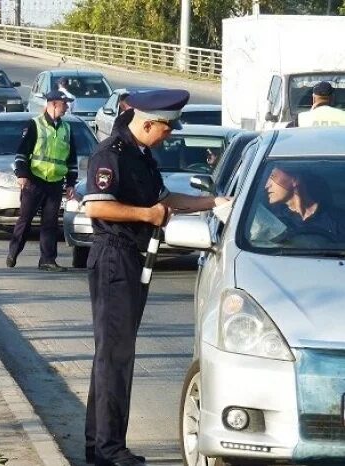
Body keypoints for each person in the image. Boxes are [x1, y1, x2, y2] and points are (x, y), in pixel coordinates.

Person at [82, 89, 231, 466]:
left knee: (112, 355)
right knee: (116, 357)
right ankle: (110, 450)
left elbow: (166, 199)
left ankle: (98, 444)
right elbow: (98, 205)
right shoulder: (110, 155)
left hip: (132, 259)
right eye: (166, 129)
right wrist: (147, 216)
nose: (168, 136)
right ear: (148, 124)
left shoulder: (141, 154)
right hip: (115, 258)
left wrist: (213, 203)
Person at [7, 91, 79, 272]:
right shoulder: (34, 124)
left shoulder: (67, 129)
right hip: (34, 181)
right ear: (54, 104)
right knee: (25, 220)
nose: (67, 107)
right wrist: (22, 174)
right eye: (65, 103)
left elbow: (71, 160)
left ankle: (47, 260)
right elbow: (21, 153)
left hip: (55, 183)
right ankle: (13, 252)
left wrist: (70, 183)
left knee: (50, 223)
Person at [261, 166, 345, 242]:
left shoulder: (337, 220)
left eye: (272, 176)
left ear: (295, 179)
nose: (266, 185)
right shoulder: (270, 217)